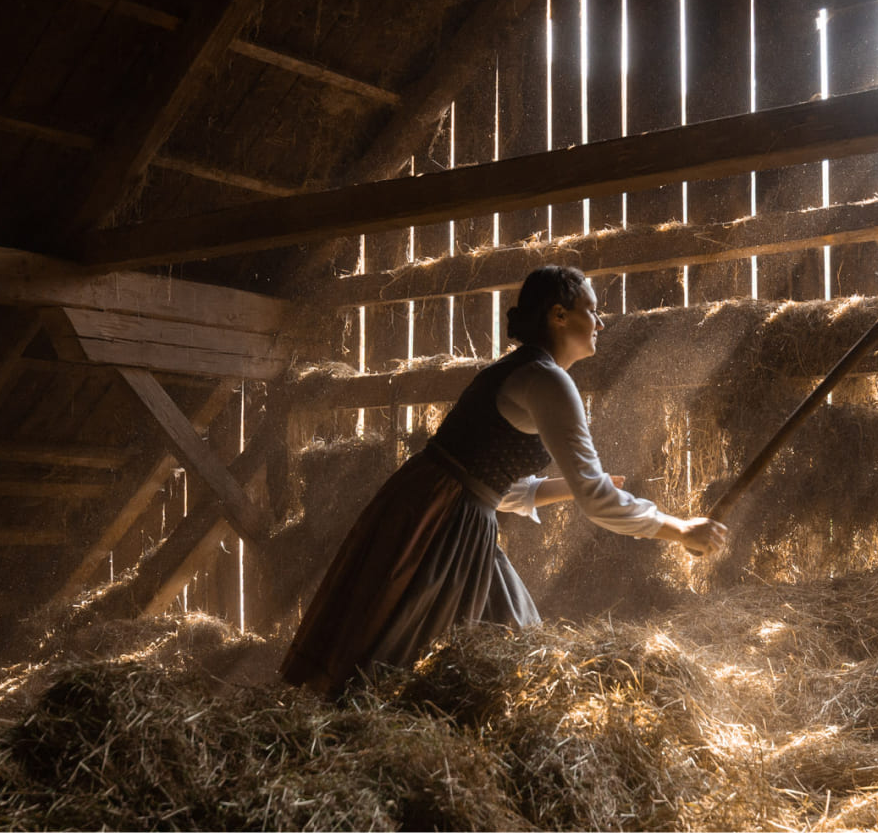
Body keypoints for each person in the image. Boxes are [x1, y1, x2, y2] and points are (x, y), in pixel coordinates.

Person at [280, 265, 728, 696]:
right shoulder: (547, 380)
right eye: (592, 310)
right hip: (442, 522)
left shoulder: (523, 370)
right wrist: (680, 529)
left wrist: (572, 486)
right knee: (409, 653)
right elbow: (597, 499)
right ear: (558, 315)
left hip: (438, 506)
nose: (601, 323)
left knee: (501, 642)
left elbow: (501, 487)